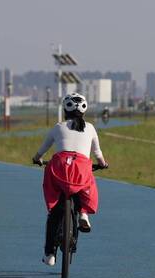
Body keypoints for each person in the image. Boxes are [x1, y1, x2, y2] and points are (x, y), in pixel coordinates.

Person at [32, 92, 108, 266]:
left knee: (54, 214)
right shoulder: (90, 128)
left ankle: (50, 253)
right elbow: (98, 154)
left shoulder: (58, 127)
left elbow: (42, 150)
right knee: (86, 185)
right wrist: (103, 164)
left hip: (60, 167)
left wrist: (36, 159)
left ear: (65, 110)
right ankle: (83, 213)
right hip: (81, 168)